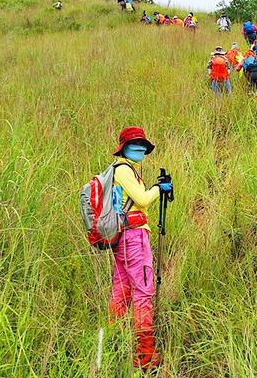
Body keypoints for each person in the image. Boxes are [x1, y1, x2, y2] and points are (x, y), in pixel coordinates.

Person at [109, 126, 172, 371]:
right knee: (143, 293)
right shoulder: (123, 170)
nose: (140, 149)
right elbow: (143, 199)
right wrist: (159, 189)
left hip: (123, 237)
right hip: (134, 237)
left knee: (122, 291)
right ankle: (145, 355)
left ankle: (116, 341)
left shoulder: (123, 171)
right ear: (123, 148)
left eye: (142, 146)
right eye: (135, 145)